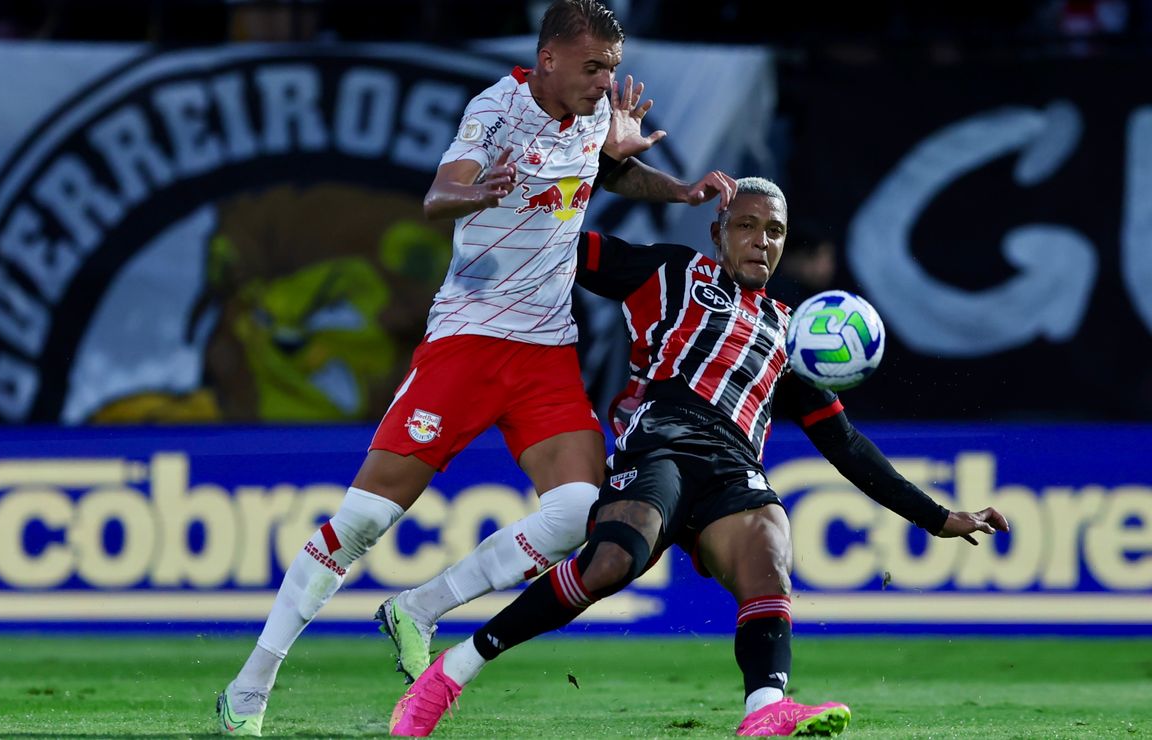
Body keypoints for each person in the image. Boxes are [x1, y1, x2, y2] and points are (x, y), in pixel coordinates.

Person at [216, 0, 737, 735]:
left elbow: (607, 173)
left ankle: (418, 607)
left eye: (612, 70)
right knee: (362, 520)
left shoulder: (592, 115)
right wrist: (481, 190)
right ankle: (250, 686)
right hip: (468, 342)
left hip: (546, 354)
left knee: (578, 512)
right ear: (549, 58)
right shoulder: (497, 108)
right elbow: (439, 194)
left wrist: (674, 189)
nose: (603, 82)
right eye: (592, 67)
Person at [387, 177, 1010, 738]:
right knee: (610, 564)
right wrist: (571, 175)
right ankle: (450, 673)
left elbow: (843, 444)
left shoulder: (793, 335)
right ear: (718, 232)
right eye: (746, 225)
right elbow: (562, 244)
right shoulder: (670, 272)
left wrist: (938, 517)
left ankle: (764, 710)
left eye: (774, 231)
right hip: (660, 437)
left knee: (770, 542)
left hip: (732, 466)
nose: (760, 241)